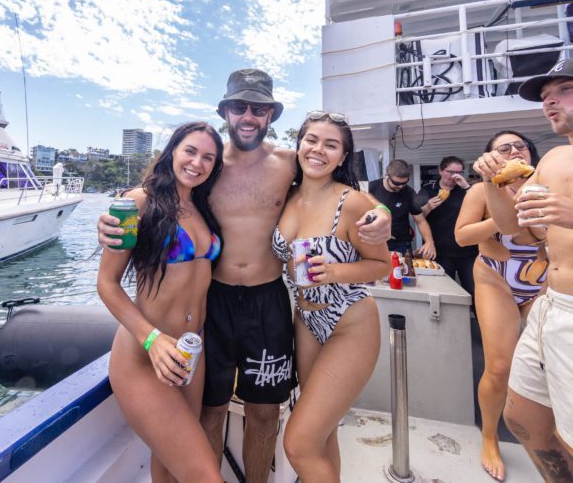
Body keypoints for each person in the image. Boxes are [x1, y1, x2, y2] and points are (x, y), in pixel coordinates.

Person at [98, 68, 392, 483]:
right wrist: (110, 224)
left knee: (265, 410)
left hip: (267, 298)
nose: (249, 116)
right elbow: (158, 202)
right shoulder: (209, 169)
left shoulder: (290, 163)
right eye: (240, 107)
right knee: (211, 409)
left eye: (259, 108)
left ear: (271, 114)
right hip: (211, 305)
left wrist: (384, 216)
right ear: (226, 112)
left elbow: (344, 192)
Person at [97, 121, 225, 483]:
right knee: (205, 475)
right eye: (190, 151)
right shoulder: (140, 201)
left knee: (168, 466)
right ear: (172, 152)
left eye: (208, 157)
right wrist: (151, 340)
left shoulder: (202, 206)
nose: (197, 163)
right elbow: (107, 284)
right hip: (144, 355)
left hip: (188, 354)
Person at [272, 111, 390, 482]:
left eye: (331, 144)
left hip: (349, 322)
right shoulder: (286, 197)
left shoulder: (353, 202)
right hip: (306, 321)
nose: (318, 150)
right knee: (323, 434)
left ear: (343, 156)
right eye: (311, 140)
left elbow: (381, 265)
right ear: (299, 145)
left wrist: (335, 271)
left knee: (299, 443)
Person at [473, 58, 573, 482]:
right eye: (546, 99)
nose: (550, 103)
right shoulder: (553, 159)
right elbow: (517, 226)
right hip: (551, 302)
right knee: (524, 417)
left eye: (563, 91)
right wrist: (495, 185)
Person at [455, 130, 546, 481]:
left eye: (519, 146)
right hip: (497, 277)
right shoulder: (481, 190)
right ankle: (490, 436)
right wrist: (502, 211)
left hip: (541, 278)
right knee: (499, 366)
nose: (512, 150)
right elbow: (463, 236)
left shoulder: (546, 183)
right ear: (490, 157)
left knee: (547, 364)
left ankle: (547, 434)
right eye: (502, 148)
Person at [417, 156, 477, 298]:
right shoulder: (427, 190)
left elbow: (482, 206)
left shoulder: (467, 190)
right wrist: (428, 207)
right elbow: (418, 217)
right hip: (440, 251)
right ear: (440, 171)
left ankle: (478, 319)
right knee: (444, 293)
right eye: (450, 172)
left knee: (474, 291)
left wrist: (466, 187)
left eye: (459, 172)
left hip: (468, 251)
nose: (455, 176)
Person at [368, 158, 436, 259]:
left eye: (404, 183)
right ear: (386, 176)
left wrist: (429, 241)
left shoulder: (409, 193)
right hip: (373, 242)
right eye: (396, 183)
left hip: (400, 244)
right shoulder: (370, 188)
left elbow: (420, 220)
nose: (400, 187)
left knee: (402, 273)